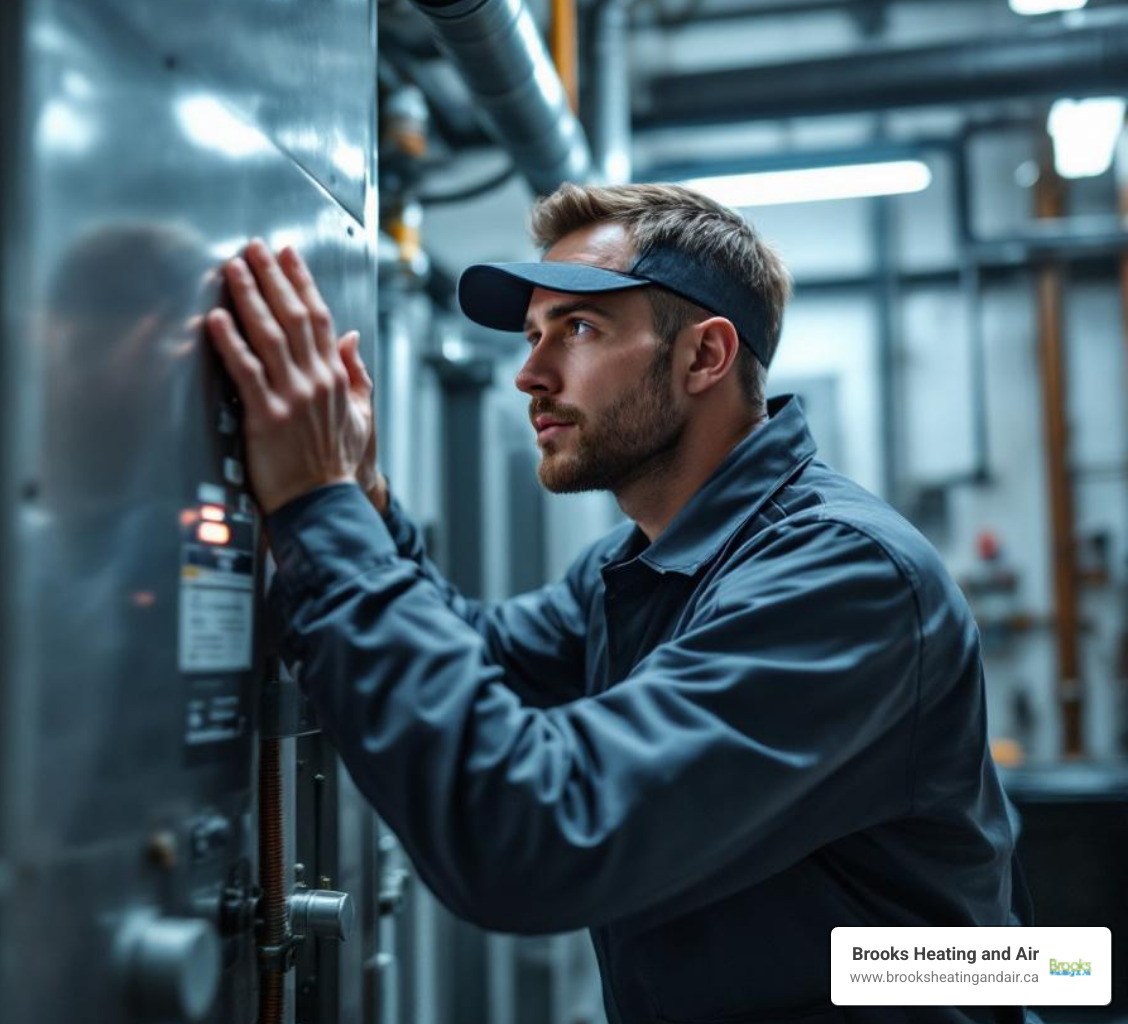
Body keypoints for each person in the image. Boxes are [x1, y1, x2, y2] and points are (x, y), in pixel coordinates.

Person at [205, 183, 1036, 1024]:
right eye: (534, 335)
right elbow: (481, 659)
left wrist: (318, 508)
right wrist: (365, 505)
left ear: (705, 357)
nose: (530, 374)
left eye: (579, 328)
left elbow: (533, 834)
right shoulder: (638, 565)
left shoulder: (845, 576)